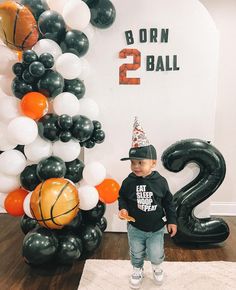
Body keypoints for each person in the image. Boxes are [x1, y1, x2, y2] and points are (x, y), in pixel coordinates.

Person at [118, 117, 177, 289]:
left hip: (156, 226)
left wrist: (172, 220)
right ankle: (137, 269)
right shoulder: (128, 182)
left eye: (140, 162)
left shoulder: (160, 182)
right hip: (135, 227)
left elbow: (168, 202)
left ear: (153, 163)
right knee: (136, 252)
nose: (136, 166)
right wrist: (123, 209)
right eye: (133, 163)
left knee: (156, 253)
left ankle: (157, 268)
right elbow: (122, 197)